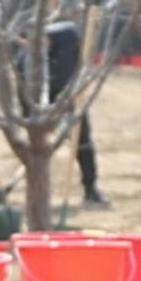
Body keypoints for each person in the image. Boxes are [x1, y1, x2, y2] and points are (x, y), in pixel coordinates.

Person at [46, 16, 107, 209]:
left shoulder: (66, 58)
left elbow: (62, 83)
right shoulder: (44, 59)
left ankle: (90, 189)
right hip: (44, 110)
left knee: (83, 146)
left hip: (70, 106)